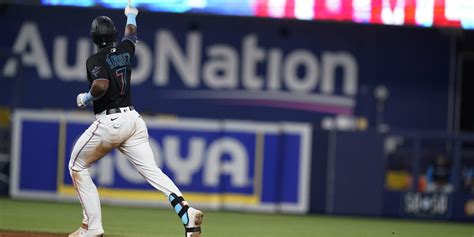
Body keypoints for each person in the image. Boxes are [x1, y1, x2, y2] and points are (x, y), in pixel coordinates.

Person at [68, 5, 203, 237]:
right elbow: (131, 33)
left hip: (110, 123)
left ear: (94, 37)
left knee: (77, 166)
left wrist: (85, 97)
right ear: (113, 35)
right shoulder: (124, 49)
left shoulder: (95, 59)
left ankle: (93, 227)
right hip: (133, 120)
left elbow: (101, 85)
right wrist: (132, 13)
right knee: (153, 172)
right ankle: (186, 213)